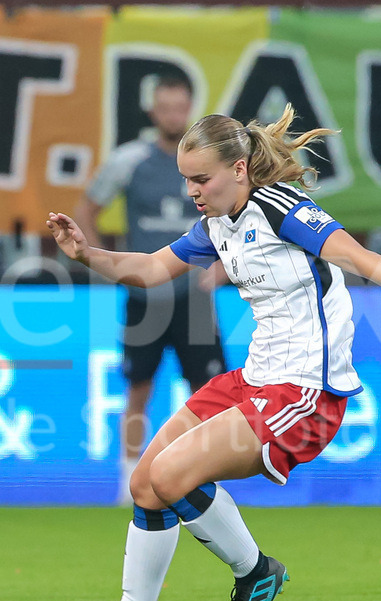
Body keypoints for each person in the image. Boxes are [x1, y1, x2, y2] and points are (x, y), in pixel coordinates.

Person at [45, 104, 381, 601]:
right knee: (146, 483)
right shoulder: (216, 225)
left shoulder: (283, 209)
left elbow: (358, 257)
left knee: (173, 476)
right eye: (186, 180)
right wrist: (86, 253)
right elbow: (151, 269)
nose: (193, 191)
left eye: (202, 179)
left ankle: (256, 572)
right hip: (253, 379)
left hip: (305, 391)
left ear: (239, 169)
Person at [73, 76, 226, 504]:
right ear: (153, 112)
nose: (173, 116)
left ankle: (204, 479)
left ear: (190, 109)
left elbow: (235, 218)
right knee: (138, 389)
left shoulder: (210, 164)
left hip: (195, 300)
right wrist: (108, 264)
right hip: (145, 298)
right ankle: (129, 482)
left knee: (208, 394)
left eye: (180, 108)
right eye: (165, 108)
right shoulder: (130, 160)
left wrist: (223, 267)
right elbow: (86, 208)